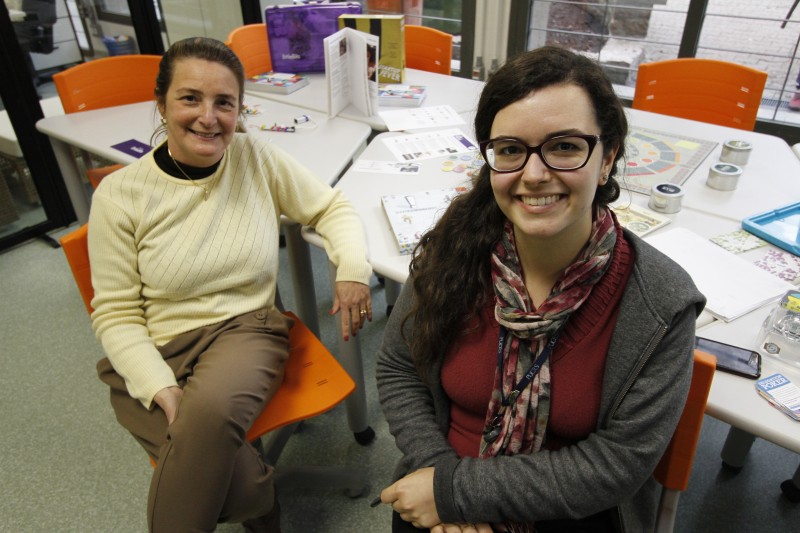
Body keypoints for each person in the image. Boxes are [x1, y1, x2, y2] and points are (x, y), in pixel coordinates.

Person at [375, 46, 706, 533]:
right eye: (510, 149)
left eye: (565, 146)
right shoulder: (456, 245)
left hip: (563, 514)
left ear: (608, 156)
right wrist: (437, 477)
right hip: (436, 493)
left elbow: (616, 464)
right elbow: (399, 367)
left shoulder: (661, 302)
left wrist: (458, 494)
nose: (533, 175)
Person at [88, 37, 373, 532]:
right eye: (190, 98)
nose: (208, 116)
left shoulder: (254, 157)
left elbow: (332, 207)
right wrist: (161, 389)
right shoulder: (120, 194)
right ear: (161, 103)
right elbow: (115, 313)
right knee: (237, 487)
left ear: (241, 109)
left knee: (213, 412)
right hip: (159, 346)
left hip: (245, 329)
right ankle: (260, 501)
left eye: (225, 102)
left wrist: (350, 269)